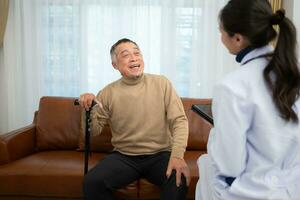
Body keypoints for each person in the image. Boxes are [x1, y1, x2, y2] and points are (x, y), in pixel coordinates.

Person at [195, 0, 300, 199]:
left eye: (221, 31)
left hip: (251, 193)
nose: (221, 37)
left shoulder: (231, 87)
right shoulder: (293, 73)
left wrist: (215, 136)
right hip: (292, 190)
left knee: (207, 166)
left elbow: (229, 165)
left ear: (238, 39)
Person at [79, 38, 190, 200]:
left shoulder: (162, 83)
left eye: (137, 53)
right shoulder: (107, 93)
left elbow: (179, 121)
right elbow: (93, 132)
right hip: (124, 157)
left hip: (160, 154)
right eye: (125, 55)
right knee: (91, 182)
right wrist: (87, 108)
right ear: (115, 65)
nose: (134, 58)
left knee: (178, 180)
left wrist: (178, 155)